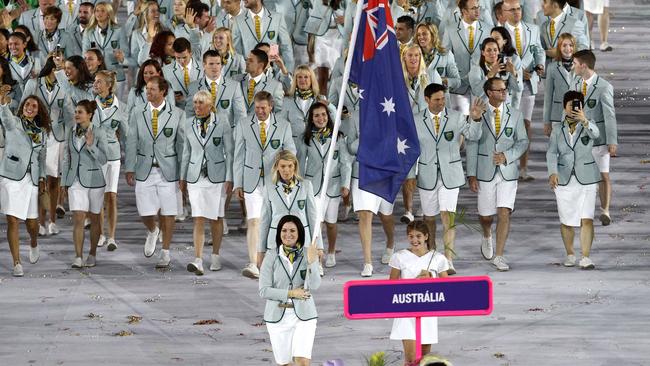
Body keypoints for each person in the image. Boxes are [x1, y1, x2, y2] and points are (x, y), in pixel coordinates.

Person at [410, 83, 483, 275]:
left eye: (443, 98)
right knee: (429, 219)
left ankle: (448, 260)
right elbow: (410, 150)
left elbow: (474, 135)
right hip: (427, 175)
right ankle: (432, 256)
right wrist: (410, 175)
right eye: (437, 99)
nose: (441, 103)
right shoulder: (416, 120)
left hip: (450, 175)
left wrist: (475, 119)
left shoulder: (457, 117)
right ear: (426, 100)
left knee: (448, 216)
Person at [466, 77, 529, 272]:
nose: (504, 92)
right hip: (484, 171)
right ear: (489, 93)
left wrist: (507, 156)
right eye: (500, 90)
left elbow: (523, 142)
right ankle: (486, 235)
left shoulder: (516, 115)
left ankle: (499, 256)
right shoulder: (478, 112)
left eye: (505, 89)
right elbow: (472, 142)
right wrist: (471, 174)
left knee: (504, 212)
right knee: (486, 216)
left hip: (508, 172)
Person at [233, 91, 296, 279]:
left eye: (263, 108)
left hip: (275, 182)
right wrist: (238, 183)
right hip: (251, 181)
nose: (259, 111)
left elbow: (290, 151)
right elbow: (238, 156)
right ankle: (253, 263)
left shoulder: (283, 126)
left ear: (271, 107)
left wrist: (287, 176)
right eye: (256, 107)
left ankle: (277, 262)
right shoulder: (244, 124)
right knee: (254, 221)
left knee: (276, 223)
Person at [125, 76, 185, 269]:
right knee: (145, 212)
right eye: (147, 89)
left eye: (151, 89)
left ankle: (165, 252)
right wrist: (129, 167)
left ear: (163, 91)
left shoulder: (177, 114)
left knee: (169, 212)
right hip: (144, 169)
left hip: (169, 170)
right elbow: (131, 140)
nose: (147, 92)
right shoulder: (137, 112)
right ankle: (152, 230)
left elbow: (182, 146)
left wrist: (182, 174)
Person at [180, 91, 234, 275]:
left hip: (217, 177)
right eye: (195, 103)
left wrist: (229, 177)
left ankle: (216, 255)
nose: (197, 106)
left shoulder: (222, 122)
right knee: (198, 218)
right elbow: (186, 152)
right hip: (196, 177)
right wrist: (183, 178)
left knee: (216, 217)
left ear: (210, 105)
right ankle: (198, 259)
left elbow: (230, 152)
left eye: (201, 103)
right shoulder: (188, 123)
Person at [547, 91, 601, 270]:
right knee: (567, 219)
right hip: (564, 178)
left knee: (587, 218)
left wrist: (585, 120)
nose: (574, 108)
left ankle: (585, 257)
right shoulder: (557, 129)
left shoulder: (588, 123)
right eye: (571, 105)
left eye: (578, 105)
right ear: (564, 107)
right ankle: (570, 253)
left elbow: (596, 135)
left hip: (587, 177)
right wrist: (552, 172)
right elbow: (552, 152)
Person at [259, 214, 321, 366]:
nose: (288, 234)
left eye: (292, 230)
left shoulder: (308, 253)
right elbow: (264, 290)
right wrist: (291, 293)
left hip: (304, 315)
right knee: (285, 363)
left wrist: (313, 261)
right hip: (277, 317)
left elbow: (314, 285)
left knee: (302, 361)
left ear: (299, 233)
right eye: (284, 230)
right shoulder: (271, 255)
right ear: (279, 233)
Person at [0, 93, 50, 277]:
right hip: (11, 177)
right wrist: (3, 103)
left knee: (31, 224)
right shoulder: (13, 122)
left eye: (34, 106)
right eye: (27, 104)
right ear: (22, 107)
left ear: (38, 111)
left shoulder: (41, 132)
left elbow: (42, 157)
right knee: (12, 219)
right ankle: (17, 262)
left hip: (31, 179)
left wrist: (43, 177)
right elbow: (5, 117)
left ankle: (34, 242)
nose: (30, 107)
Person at [297, 102, 351, 268]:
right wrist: (300, 183)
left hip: (333, 186)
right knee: (316, 223)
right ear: (311, 119)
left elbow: (345, 162)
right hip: (314, 186)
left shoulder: (338, 137)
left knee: (331, 222)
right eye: (316, 115)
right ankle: (317, 259)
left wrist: (345, 184)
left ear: (328, 116)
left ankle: (332, 251)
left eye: (323, 115)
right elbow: (300, 162)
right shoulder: (306, 138)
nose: (320, 118)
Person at [389, 220, 449, 365]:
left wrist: (431, 278)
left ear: (426, 237)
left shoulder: (438, 258)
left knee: (424, 360)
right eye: (411, 236)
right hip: (405, 310)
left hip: (428, 312)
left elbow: (448, 287)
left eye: (418, 236)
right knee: (411, 360)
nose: (414, 240)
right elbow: (391, 284)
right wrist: (411, 284)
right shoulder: (399, 256)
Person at [60, 99, 109, 268]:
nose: (76, 115)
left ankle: (92, 253)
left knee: (95, 219)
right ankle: (78, 257)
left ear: (89, 115)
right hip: (75, 181)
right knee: (78, 218)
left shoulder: (100, 132)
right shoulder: (70, 131)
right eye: (75, 112)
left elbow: (104, 158)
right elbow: (66, 158)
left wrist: (91, 145)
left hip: (95, 181)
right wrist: (64, 182)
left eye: (80, 112)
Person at [571, 49, 617, 226]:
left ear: (584, 65)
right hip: (578, 138)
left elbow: (609, 115)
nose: (573, 67)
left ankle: (605, 210)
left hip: (599, 139)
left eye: (575, 64)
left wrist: (612, 141)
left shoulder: (604, 87)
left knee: (603, 175)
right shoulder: (574, 83)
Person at [347, 111, 396, 277]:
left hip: (383, 173)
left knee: (386, 216)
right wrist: (368, 139)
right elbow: (351, 147)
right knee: (365, 215)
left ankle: (390, 243)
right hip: (361, 173)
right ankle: (367, 262)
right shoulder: (354, 117)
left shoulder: (388, 112)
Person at [22, 56, 65, 236]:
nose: (61, 68)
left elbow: (69, 109)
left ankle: (52, 221)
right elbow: (24, 107)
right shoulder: (33, 84)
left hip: (58, 137)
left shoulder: (65, 83)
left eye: (62, 65)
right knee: (39, 181)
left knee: (53, 180)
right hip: (37, 135)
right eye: (57, 64)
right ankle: (40, 221)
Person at [258, 150, 323, 269]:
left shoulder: (306, 186)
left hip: (303, 241)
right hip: (276, 241)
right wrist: (260, 250)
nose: (286, 170)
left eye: (290, 166)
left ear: (295, 166)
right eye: (283, 166)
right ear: (277, 167)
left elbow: (313, 218)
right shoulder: (269, 188)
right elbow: (264, 221)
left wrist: (319, 246)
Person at [502, 0, 545, 181]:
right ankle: (505, 164)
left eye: (518, 9)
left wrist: (540, 65)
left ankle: (523, 168)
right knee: (506, 124)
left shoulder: (532, 29)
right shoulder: (497, 32)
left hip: (527, 85)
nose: (516, 12)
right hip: (505, 85)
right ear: (503, 12)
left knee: (526, 125)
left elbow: (538, 51)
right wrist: (518, 72)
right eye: (511, 10)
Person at [92, 70, 127, 251]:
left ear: (109, 85)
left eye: (99, 82)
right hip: (95, 157)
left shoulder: (121, 107)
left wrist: (131, 164)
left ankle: (112, 236)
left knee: (111, 196)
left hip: (113, 157)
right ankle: (99, 234)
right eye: (95, 81)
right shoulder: (90, 105)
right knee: (97, 197)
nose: (95, 84)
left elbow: (127, 135)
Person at [441, 0, 490, 115]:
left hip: (481, 85)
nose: (477, 10)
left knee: (479, 125)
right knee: (460, 125)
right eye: (473, 8)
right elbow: (444, 57)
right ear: (464, 11)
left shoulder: (488, 29)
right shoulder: (450, 29)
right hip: (459, 86)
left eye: (478, 7)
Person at [184, 49, 247, 124]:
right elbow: (189, 115)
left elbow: (241, 116)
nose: (215, 67)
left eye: (218, 63)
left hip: (227, 133)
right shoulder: (193, 87)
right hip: (202, 133)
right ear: (204, 65)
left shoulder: (234, 86)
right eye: (211, 64)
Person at [231, 0, 295, 73]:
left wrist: (288, 72)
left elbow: (286, 47)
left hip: (273, 72)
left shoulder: (277, 18)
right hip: (249, 73)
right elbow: (236, 51)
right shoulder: (238, 20)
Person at [82, 2, 129, 90]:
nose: (99, 13)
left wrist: (121, 57)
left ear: (108, 14)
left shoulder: (118, 30)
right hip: (95, 78)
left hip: (116, 76)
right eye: (97, 11)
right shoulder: (88, 31)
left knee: (117, 103)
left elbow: (125, 52)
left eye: (102, 11)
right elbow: (84, 54)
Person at [468, 37, 522, 105]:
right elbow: (477, 92)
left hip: (504, 108)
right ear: (483, 52)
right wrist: (490, 75)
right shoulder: (476, 69)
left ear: (499, 52)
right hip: (485, 109)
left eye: (495, 50)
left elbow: (519, 89)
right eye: (489, 50)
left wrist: (514, 73)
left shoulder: (505, 67)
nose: (492, 53)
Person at [543, 33, 576, 137]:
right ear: (559, 48)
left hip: (577, 113)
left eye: (570, 45)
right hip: (557, 114)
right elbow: (548, 96)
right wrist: (546, 121)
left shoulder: (580, 66)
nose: (568, 48)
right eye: (564, 45)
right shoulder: (552, 67)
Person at [414, 23, 461, 97]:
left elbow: (457, 82)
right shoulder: (413, 55)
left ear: (433, 35)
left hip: (440, 100)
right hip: (419, 99)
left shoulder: (446, 54)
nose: (421, 37)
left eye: (424, 34)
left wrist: (443, 81)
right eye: (418, 35)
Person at [233, 48, 284, 115]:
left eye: (251, 60)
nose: (247, 62)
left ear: (261, 65)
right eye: (247, 59)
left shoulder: (275, 86)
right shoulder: (234, 80)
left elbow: (278, 112)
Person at [162, 37, 204, 110]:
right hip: (179, 112)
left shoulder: (203, 68)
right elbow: (165, 96)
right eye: (178, 58)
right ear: (174, 54)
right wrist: (172, 97)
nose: (182, 61)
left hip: (201, 110)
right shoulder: (166, 70)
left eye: (184, 57)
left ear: (191, 53)